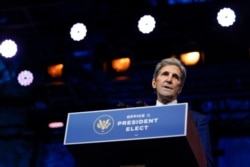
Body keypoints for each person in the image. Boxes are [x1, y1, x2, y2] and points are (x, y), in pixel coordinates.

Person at [151, 57, 214, 167]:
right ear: (154, 83)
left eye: (175, 77)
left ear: (180, 89)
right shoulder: (141, 118)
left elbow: (206, 163)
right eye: (165, 74)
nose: (169, 80)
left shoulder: (197, 121)